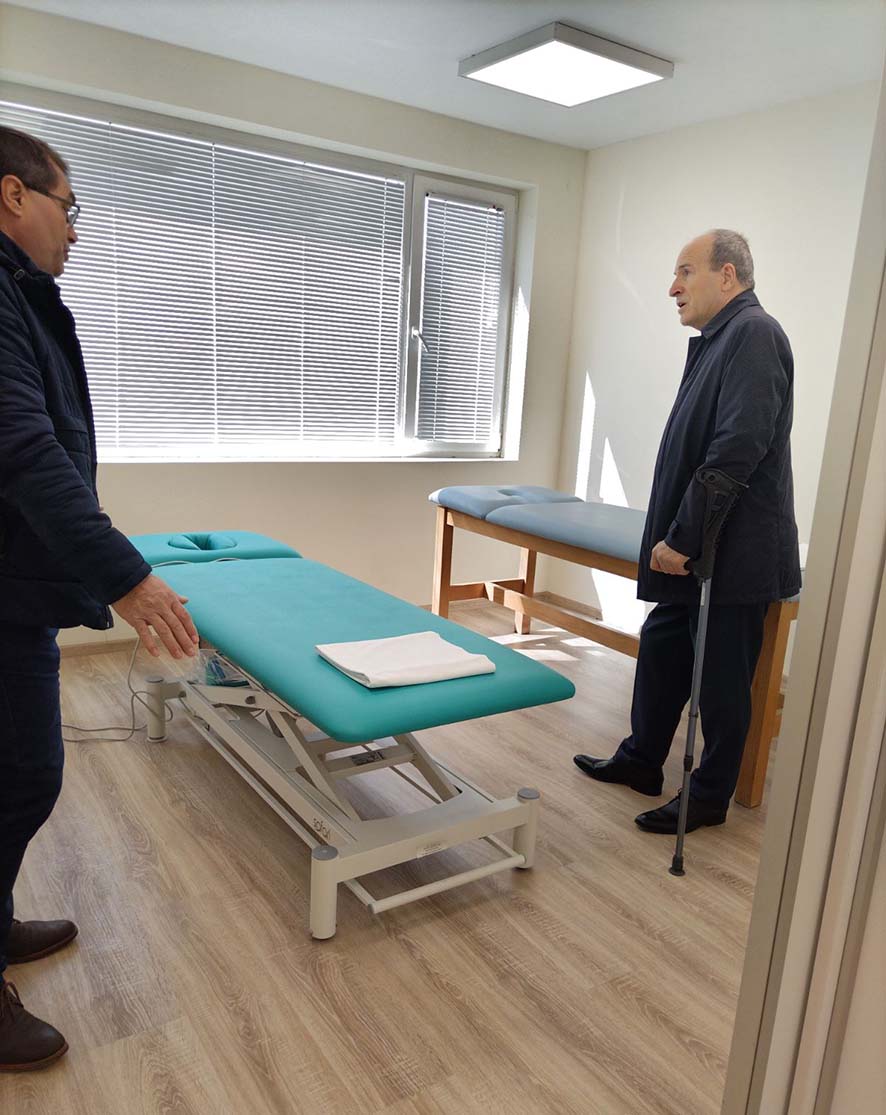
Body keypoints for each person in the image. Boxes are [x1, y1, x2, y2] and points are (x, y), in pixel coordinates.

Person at [0, 125, 200, 1071]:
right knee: (22, 776)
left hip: (16, 589)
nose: (75, 230)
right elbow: (24, 451)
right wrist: (129, 576)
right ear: (13, 196)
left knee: (18, 774)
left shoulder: (18, 292)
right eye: (67, 206)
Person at [574, 229, 801, 835]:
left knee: (721, 681)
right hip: (700, 542)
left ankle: (707, 796)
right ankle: (642, 759)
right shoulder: (720, 340)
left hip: (733, 551)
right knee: (663, 647)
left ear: (727, 275)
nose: (672, 287)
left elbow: (736, 449)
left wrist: (684, 538)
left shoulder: (754, 333)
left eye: (686, 271)